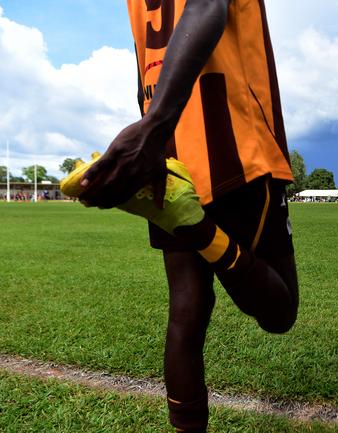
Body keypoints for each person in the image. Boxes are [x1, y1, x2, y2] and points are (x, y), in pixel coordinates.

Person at [61, 1, 299, 432]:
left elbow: (144, 69)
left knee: (187, 310)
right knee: (279, 313)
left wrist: (152, 135)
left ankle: (193, 225)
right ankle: (202, 230)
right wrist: (151, 131)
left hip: (169, 157)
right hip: (239, 145)